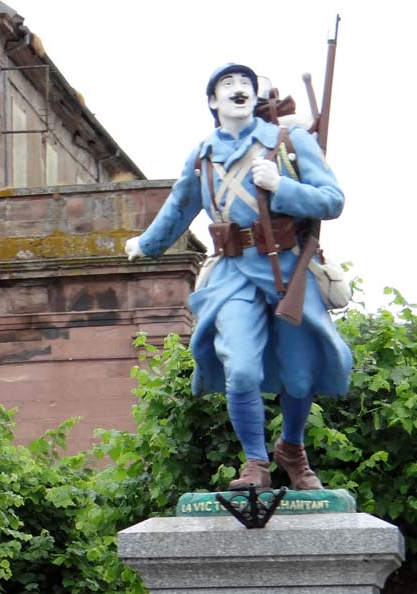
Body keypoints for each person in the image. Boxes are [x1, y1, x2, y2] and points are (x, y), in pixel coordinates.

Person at [125, 63, 352, 491]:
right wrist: (147, 243)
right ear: (214, 101)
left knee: (300, 373)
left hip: (286, 268)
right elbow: (180, 206)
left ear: (253, 96)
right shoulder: (203, 155)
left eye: (245, 83)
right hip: (232, 273)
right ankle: (255, 463)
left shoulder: (287, 141)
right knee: (242, 368)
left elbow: (332, 200)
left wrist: (281, 186)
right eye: (227, 84)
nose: (237, 88)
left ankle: (292, 448)